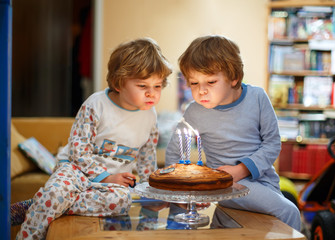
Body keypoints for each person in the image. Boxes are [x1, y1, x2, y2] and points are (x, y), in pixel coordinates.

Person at [15, 37, 172, 239]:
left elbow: (147, 156)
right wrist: (105, 176)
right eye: (143, 86)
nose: (152, 94)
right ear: (119, 83)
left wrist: (152, 189)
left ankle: (45, 204)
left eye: (157, 86)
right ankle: (41, 214)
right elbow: (78, 152)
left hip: (111, 183)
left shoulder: (150, 115)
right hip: (76, 169)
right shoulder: (95, 105)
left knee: (122, 201)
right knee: (57, 191)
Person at [165, 35, 301, 231]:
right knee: (290, 211)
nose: (201, 91)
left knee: (284, 213)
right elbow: (174, 153)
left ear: (234, 77)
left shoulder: (258, 98)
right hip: (222, 187)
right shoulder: (194, 111)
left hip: (260, 182)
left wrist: (239, 171)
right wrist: (181, 192)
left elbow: (272, 143)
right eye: (194, 83)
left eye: (210, 82)